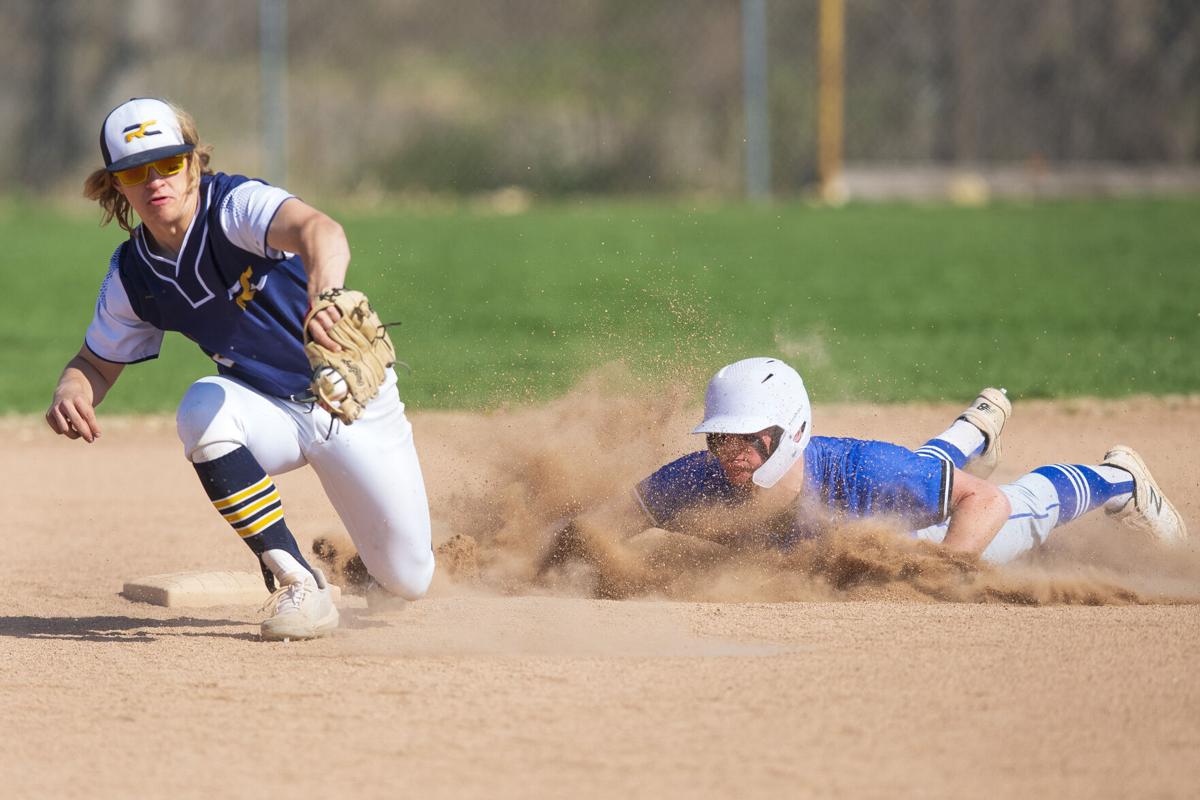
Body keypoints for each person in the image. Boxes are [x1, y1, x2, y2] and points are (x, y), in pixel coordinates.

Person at [45, 97, 435, 641]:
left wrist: (326, 295)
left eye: (169, 163)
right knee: (203, 411)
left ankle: (376, 565)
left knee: (410, 579)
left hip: (350, 398)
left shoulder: (234, 208)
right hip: (267, 408)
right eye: (135, 171)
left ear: (194, 163)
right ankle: (299, 581)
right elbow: (95, 361)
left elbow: (322, 231)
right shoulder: (134, 274)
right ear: (116, 185)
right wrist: (72, 387)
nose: (155, 180)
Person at [553, 357, 1186, 571]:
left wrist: (948, 572)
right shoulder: (698, 478)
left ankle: (1121, 481)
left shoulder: (864, 472)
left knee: (1019, 509)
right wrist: (550, 557)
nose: (733, 455)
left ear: (793, 433)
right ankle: (974, 434)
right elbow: (601, 526)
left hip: (924, 533)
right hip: (902, 482)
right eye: (722, 438)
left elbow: (983, 504)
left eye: (753, 439)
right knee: (923, 474)